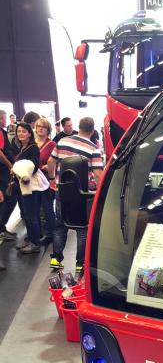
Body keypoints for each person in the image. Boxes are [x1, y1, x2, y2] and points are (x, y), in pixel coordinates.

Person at [48, 116, 103, 274]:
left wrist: (52, 179)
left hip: (62, 191)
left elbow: (51, 162)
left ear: (78, 127)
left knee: (60, 225)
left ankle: (56, 259)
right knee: (82, 228)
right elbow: (97, 174)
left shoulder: (62, 142)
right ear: (92, 131)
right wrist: (100, 193)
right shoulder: (93, 149)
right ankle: (80, 263)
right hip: (82, 194)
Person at [11, 121, 44, 253]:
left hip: (29, 187)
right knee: (26, 214)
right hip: (21, 186)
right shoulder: (21, 148)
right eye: (19, 131)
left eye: (24, 131)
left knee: (31, 215)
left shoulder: (33, 148)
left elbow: (34, 167)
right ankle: (30, 239)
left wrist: (19, 170)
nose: (21, 134)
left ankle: (35, 243)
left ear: (30, 134)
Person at [35, 116, 56, 245]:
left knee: (47, 208)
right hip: (32, 181)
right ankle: (38, 233)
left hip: (46, 180)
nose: (40, 129)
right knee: (35, 209)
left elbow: (56, 162)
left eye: (43, 127)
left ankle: (51, 234)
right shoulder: (32, 143)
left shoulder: (52, 144)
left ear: (48, 129)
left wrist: (49, 167)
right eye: (38, 126)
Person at [0, 110, 17, 241]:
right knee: (9, 198)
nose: (5, 121)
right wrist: (10, 166)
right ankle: (1, 228)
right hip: (3, 171)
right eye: (3, 118)